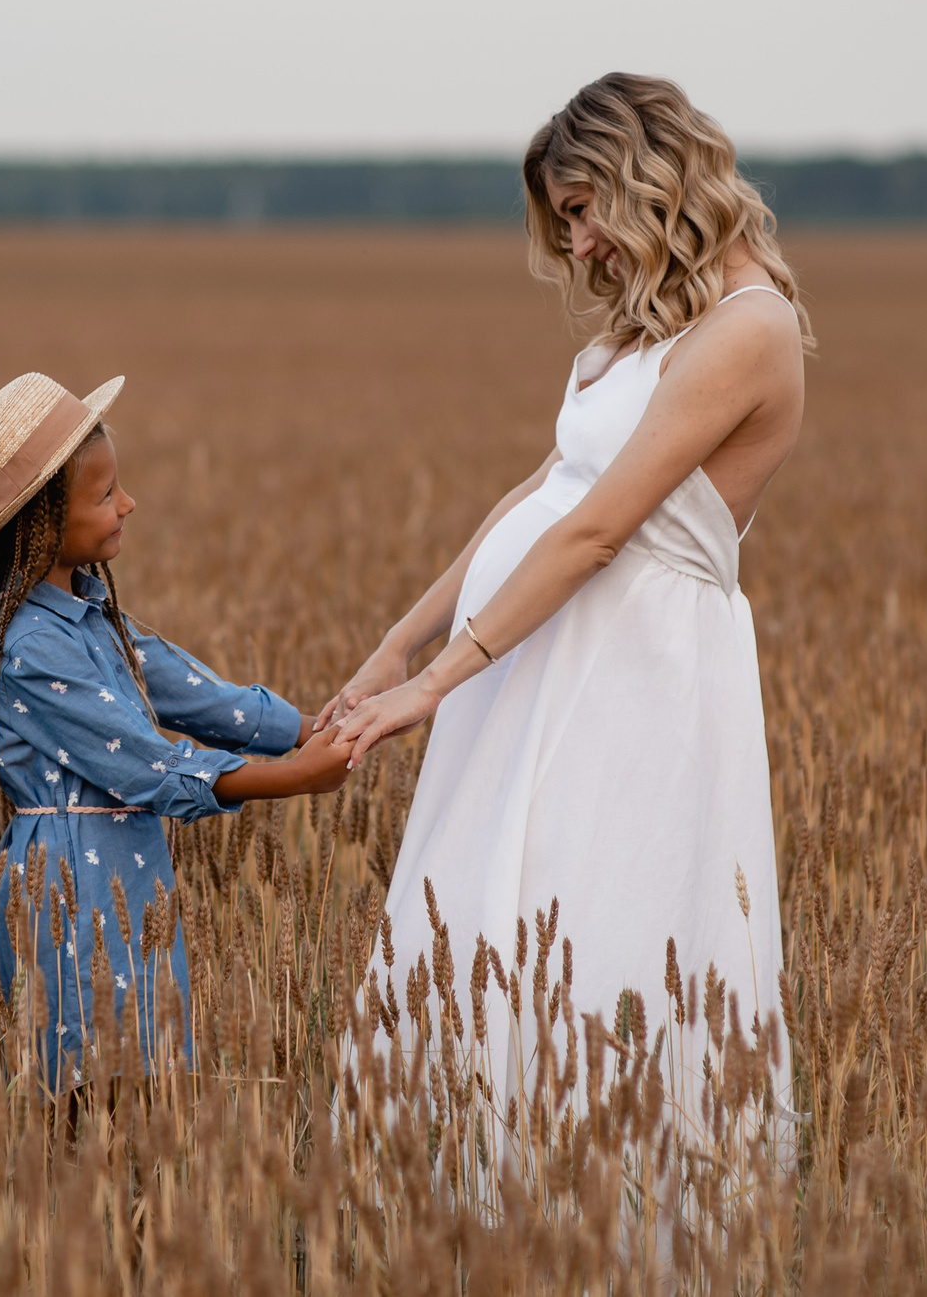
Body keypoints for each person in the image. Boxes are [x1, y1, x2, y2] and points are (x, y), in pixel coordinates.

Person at [323, 73, 811, 1145]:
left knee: (598, 926)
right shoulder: (647, 330)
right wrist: (392, 648)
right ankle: (467, 1188)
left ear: (652, 175)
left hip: (630, 678)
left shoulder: (749, 327)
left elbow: (597, 535)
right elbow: (538, 497)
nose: (578, 244)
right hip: (531, 671)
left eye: (584, 208)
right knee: (493, 912)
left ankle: (591, 1197)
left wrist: (435, 682)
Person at [0, 371, 355, 1086]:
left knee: (147, 1064)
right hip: (68, 884)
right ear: (40, 522)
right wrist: (294, 778)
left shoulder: (91, 611)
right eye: (105, 496)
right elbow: (145, 766)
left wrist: (306, 726)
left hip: (128, 874)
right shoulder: (31, 648)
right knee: (89, 1078)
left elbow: (192, 691)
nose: (128, 503)